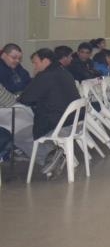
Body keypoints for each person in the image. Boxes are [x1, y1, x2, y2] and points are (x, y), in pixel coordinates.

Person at [17, 48, 82, 178]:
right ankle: (54, 154)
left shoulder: (45, 76)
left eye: (35, 63)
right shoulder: (64, 72)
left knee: (19, 136)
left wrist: (36, 77)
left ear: (45, 61)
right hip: (76, 122)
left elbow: (26, 99)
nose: (34, 66)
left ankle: (49, 158)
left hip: (59, 125)